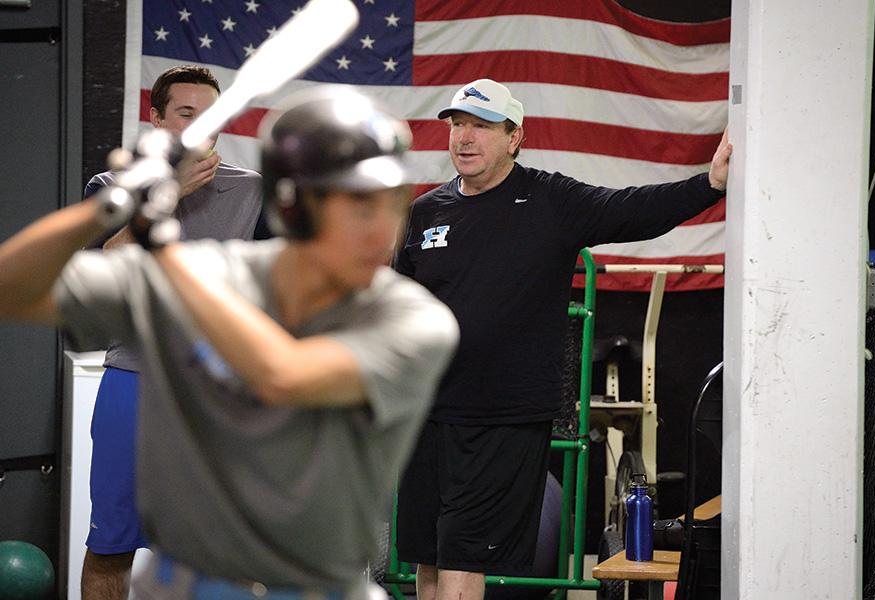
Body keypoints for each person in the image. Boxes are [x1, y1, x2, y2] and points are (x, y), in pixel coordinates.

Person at [0, 85, 458, 599]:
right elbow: (13, 289)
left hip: (318, 588)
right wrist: (113, 204)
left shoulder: (414, 319)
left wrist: (161, 248)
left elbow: (283, 374)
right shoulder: (216, 271)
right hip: (183, 585)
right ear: (293, 207)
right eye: (357, 206)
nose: (384, 231)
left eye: (392, 202)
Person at [393, 78, 732, 600]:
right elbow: (400, 304)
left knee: (463, 551)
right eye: (457, 124)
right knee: (428, 553)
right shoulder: (426, 211)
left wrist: (708, 184)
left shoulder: (550, 200)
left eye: (481, 126)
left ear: (514, 137)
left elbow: (633, 209)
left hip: (500, 416)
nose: (464, 137)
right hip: (427, 412)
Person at [80, 64, 265, 600]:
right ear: (156, 118)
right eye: (186, 113)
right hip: (133, 384)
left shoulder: (253, 192)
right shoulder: (112, 188)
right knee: (111, 546)